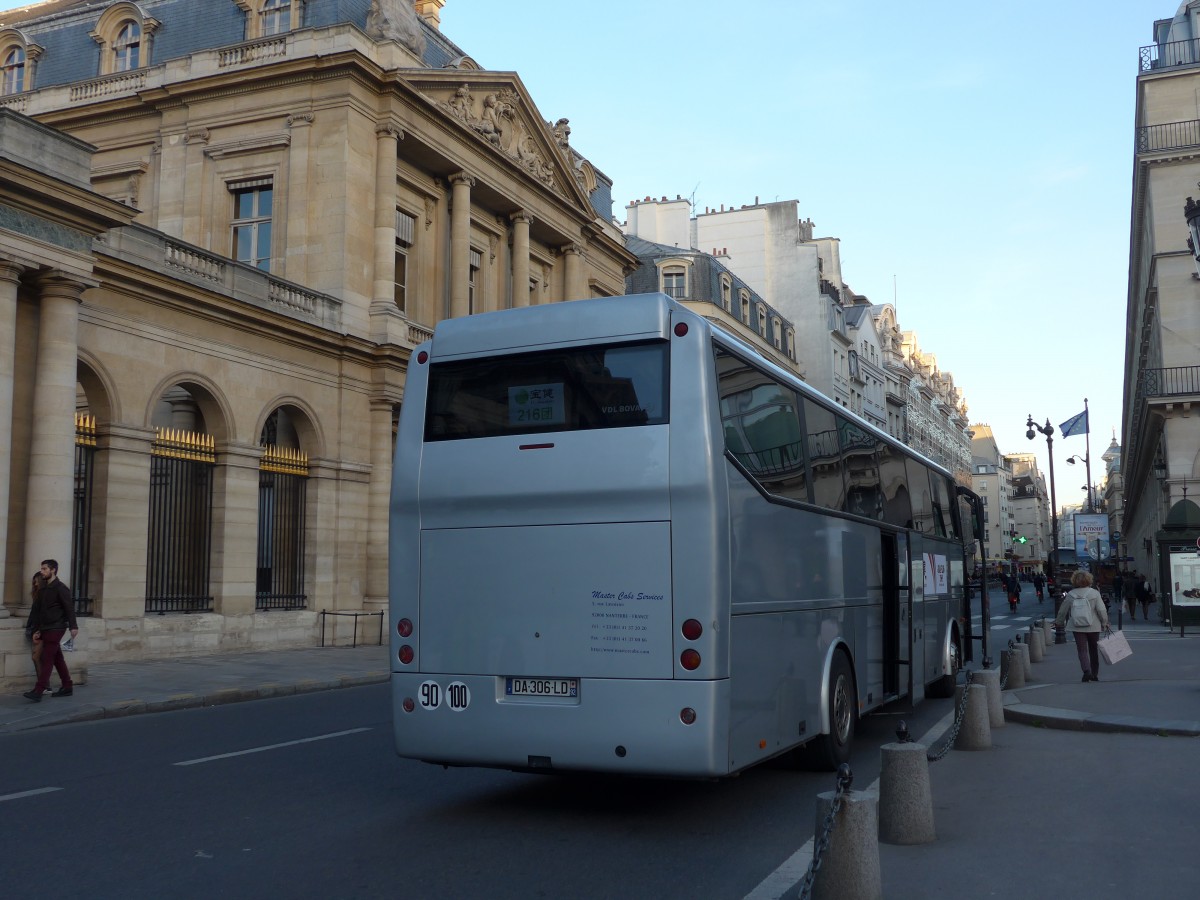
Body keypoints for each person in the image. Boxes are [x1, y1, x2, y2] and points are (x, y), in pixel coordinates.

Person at [23, 559, 78, 702]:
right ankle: (67, 686)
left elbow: (69, 608)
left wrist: (73, 626)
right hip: (46, 628)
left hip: (56, 627)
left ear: (53, 570)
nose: (42, 572)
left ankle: (39, 690)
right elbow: (41, 612)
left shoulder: (60, 588)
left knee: (47, 658)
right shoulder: (44, 589)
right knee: (57, 658)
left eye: (44, 569)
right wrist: (38, 630)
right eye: (41, 569)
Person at [1055, 569, 1110, 682]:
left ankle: (1086, 671)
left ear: (1074, 581)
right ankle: (1095, 674)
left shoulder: (1071, 594)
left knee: (1082, 650)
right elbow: (1101, 610)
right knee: (1093, 649)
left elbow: (1062, 610)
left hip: (1077, 626)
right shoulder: (1094, 593)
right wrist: (1105, 622)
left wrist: (1059, 622)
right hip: (1093, 625)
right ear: (1089, 580)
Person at [25, 571, 46, 674]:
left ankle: (44, 686)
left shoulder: (44, 596)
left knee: (36, 657)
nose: (35, 584)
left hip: (41, 630)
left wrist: (38, 631)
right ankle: (43, 685)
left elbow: (42, 615)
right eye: (34, 582)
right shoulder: (37, 595)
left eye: (37, 582)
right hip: (36, 629)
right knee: (37, 657)